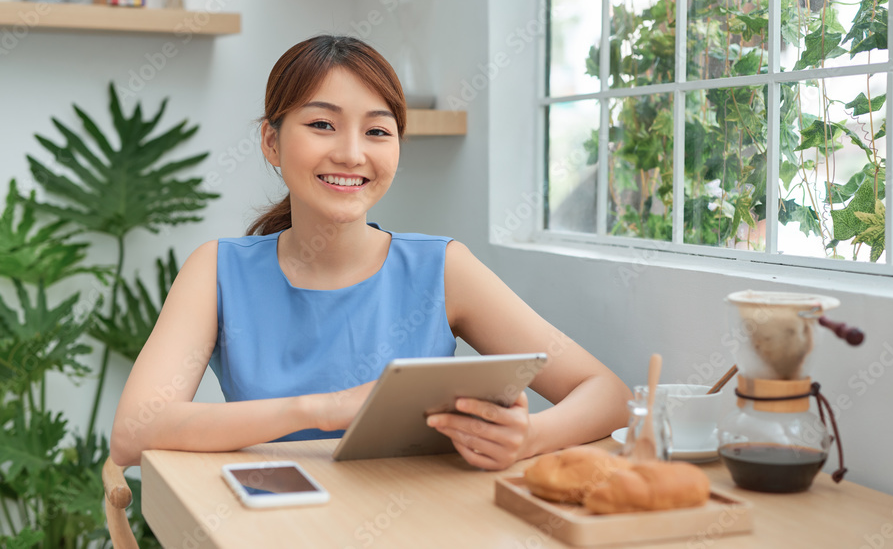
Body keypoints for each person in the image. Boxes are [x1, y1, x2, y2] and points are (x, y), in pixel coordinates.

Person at [111, 35, 631, 470]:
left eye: (378, 131)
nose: (352, 153)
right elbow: (133, 435)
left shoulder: (441, 268)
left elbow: (606, 392)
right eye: (322, 124)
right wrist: (325, 408)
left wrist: (529, 438)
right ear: (271, 141)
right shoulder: (218, 269)